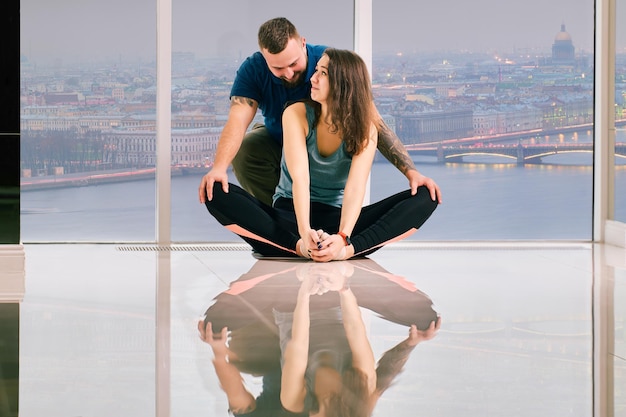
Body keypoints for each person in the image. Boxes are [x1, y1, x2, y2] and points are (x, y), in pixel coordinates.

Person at [203, 48, 439, 262]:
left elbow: (355, 188)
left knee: (426, 196)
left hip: (337, 221)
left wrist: (343, 237)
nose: (313, 79)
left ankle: (344, 251)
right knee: (215, 193)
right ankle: (299, 248)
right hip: (290, 219)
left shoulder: (366, 128)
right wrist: (305, 235)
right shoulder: (296, 113)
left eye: (322, 73)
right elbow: (300, 180)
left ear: (342, 83)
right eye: (316, 71)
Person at [198, 16, 441, 208]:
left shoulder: (329, 63)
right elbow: (237, 120)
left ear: (303, 43)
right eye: (278, 68)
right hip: (278, 141)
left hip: (326, 150)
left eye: (294, 64)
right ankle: (280, 214)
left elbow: (373, 120)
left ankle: (325, 214)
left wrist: (412, 173)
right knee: (247, 146)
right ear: (264, 57)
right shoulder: (253, 69)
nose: (289, 74)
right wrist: (219, 168)